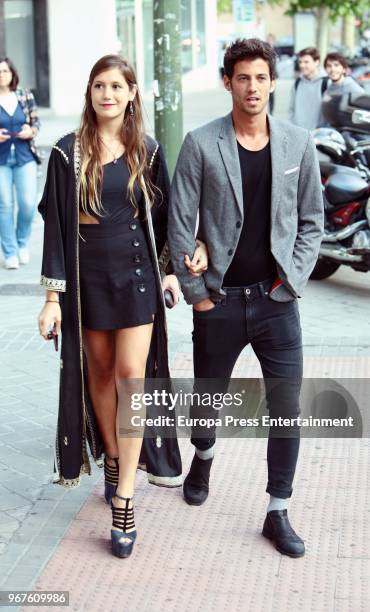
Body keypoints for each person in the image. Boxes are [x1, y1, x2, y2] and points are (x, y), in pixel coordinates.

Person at [37, 54, 206, 559]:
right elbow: (54, 229)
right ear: (89, 94)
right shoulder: (66, 153)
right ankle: (112, 457)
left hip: (135, 277)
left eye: (116, 85)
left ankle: (125, 496)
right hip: (87, 281)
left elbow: (166, 214)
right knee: (102, 374)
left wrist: (172, 269)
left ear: (133, 93)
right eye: (98, 86)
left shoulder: (147, 150)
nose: (107, 94)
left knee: (132, 376)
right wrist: (52, 298)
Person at [168, 38, 324, 558]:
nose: (252, 86)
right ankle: (204, 454)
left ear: (272, 82)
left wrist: (291, 282)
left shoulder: (298, 143)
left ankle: (278, 509)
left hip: (278, 301)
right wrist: (198, 296)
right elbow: (178, 223)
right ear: (228, 82)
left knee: (286, 408)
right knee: (208, 399)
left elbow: (311, 223)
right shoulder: (200, 142)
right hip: (221, 301)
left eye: (261, 77)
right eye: (242, 77)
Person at [0, 56, 41, 269]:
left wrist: (30, 131)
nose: (2, 75)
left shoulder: (24, 95)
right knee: (4, 204)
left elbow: (36, 122)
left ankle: (22, 242)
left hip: (25, 156)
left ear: (12, 73)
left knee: (27, 203)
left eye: (5, 71)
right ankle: (10, 252)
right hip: (1, 160)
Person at [288, 47, 328, 129]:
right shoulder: (297, 83)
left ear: (316, 62)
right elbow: (291, 109)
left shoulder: (326, 83)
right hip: (299, 135)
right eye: (300, 62)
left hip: (318, 136)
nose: (302, 65)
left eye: (306, 62)